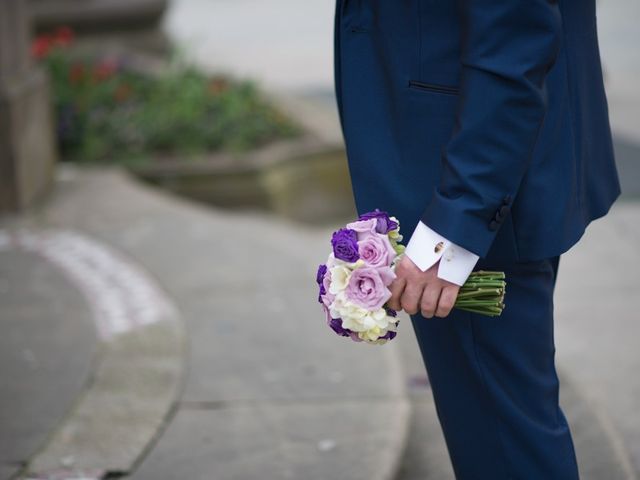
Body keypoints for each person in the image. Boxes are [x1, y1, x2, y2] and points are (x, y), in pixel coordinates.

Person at [333, 0, 621, 478]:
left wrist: (454, 223)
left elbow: (515, 35)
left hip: (469, 187)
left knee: (504, 448)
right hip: (467, 170)